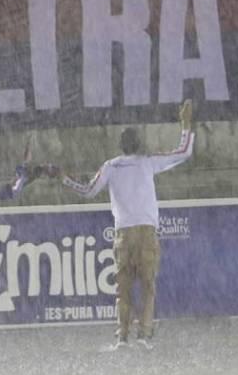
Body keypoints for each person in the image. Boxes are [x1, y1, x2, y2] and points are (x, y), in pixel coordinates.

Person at [52, 100, 195, 349]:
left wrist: (64, 178)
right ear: (139, 145)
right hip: (146, 233)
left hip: (123, 235)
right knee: (148, 286)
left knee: (124, 287)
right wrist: (185, 124)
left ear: (121, 146)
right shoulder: (147, 162)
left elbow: (87, 190)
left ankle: (122, 336)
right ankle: (144, 334)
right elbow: (183, 152)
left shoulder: (111, 166)